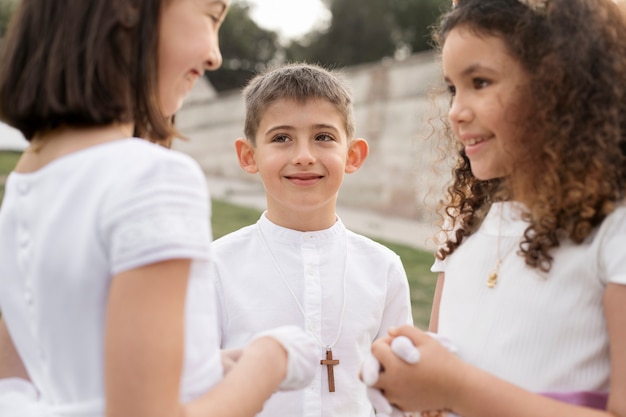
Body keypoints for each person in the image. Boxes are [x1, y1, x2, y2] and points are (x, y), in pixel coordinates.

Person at [0, 1, 317, 416]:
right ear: (128, 12)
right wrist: (270, 361)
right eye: (211, 16)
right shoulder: (154, 178)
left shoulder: (23, 184)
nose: (214, 55)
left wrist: (205, 371)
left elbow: (24, 386)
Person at [366, 0, 626, 416]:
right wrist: (409, 374)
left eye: (481, 82)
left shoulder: (614, 229)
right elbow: (439, 361)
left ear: (561, 83)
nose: (455, 112)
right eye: (453, 88)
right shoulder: (466, 225)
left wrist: (454, 388)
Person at [210, 62, 414, 417]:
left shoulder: (383, 269)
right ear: (248, 155)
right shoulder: (216, 266)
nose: (303, 156)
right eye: (281, 138)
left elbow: (399, 395)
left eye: (323, 137)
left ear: (353, 155)